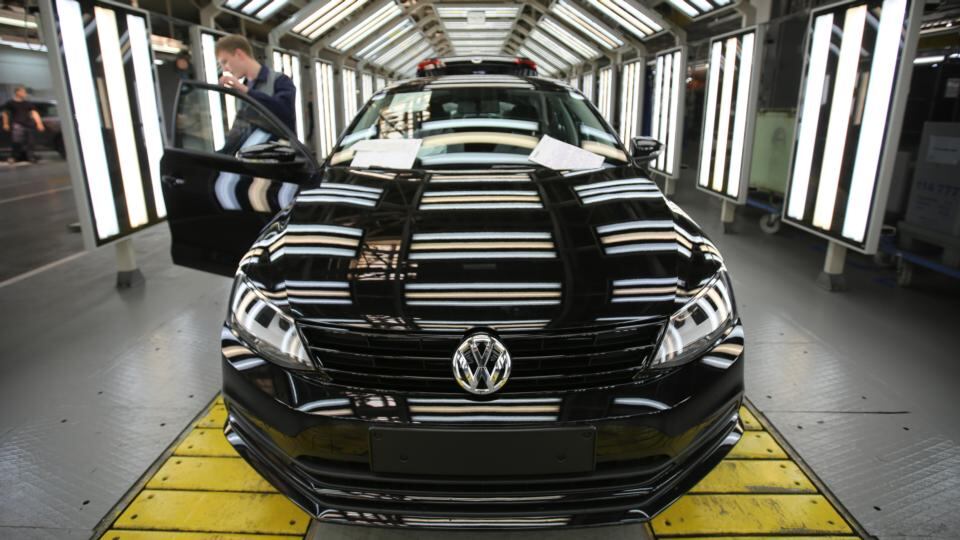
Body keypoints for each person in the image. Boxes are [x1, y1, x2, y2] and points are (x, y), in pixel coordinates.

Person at [214, 34, 296, 132]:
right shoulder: (242, 89)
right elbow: (240, 130)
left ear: (239, 54)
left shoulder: (280, 81)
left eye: (225, 62)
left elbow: (284, 113)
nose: (224, 69)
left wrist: (246, 91)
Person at [2, 86, 45, 163]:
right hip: (17, 124)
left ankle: (31, 157)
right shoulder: (10, 103)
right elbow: (5, 114)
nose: (24, 94)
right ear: (17, 92)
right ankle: (14, 157)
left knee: (30, 142)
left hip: (29, 124)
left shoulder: (27, 103)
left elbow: (34, 113)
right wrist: (6, 124)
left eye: (25, 92)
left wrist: (39, 123)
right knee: (16, 141)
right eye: (23, 92)